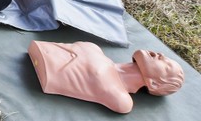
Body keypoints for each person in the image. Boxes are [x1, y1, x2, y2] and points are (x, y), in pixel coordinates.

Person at [28, 40, 184, 114]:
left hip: (43, 78)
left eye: (166, 65)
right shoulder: (95, 49)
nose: (161, 54)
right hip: (37, 51)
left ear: (154, 84)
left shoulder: (121, 99)